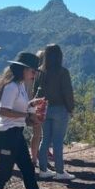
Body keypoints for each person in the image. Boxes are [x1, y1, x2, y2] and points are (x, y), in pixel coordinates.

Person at [0, 52, 63, 189]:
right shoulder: (12, 86)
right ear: (24, 69)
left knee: (28, 171)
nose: (34, 74)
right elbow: (4, 111)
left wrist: (31, 105)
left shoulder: (19, 85)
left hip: (14, 134)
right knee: (3, 174)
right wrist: (27, 115)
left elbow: (15, 107)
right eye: (33, 71)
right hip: (6, 135)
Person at [34, 44, 75, 180]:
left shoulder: (39, 71)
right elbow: (67, 92)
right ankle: (60, 172)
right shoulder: (63, 72)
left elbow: (35, 91)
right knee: (58, 141)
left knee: (45, 139)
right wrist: (71, 108)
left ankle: (43, 170)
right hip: (60, 109)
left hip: (44, 108)